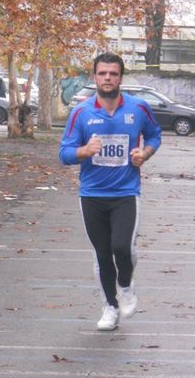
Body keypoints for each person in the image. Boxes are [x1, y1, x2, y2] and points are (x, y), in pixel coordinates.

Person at [58, 52, 162, 331]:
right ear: (95, 77)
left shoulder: (138, 108)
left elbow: (155, 135)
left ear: (120, 78)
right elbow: (64, 153)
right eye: (102, 73)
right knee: (102, 253)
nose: (107, 78)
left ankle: (126, 285)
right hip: (92, 194)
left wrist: (146, 152)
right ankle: (110, 307)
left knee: (121, 247)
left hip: (126, 192)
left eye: (113, 74)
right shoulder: (81, 112)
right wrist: (84, 151)